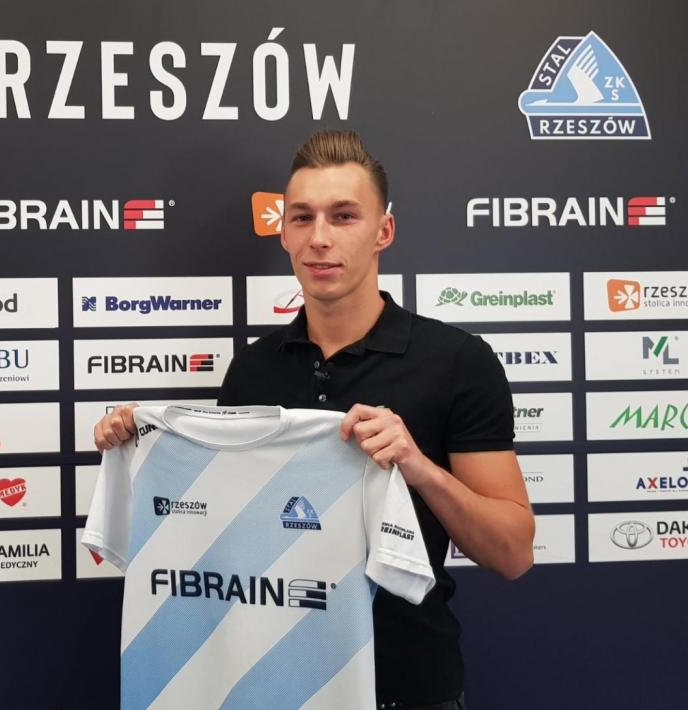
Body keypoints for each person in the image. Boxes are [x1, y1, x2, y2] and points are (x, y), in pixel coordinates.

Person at [93, 129, 535, 710]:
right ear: (283, 233)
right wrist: (142, 441)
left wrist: (417, 466)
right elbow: (219, 531)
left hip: (405, 689)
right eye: (302, 218)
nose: (319, 238)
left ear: (383, 232)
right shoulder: (253, 368)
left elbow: (512, 553)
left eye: (343, 216)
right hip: (269, 684)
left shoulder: (457, 361)